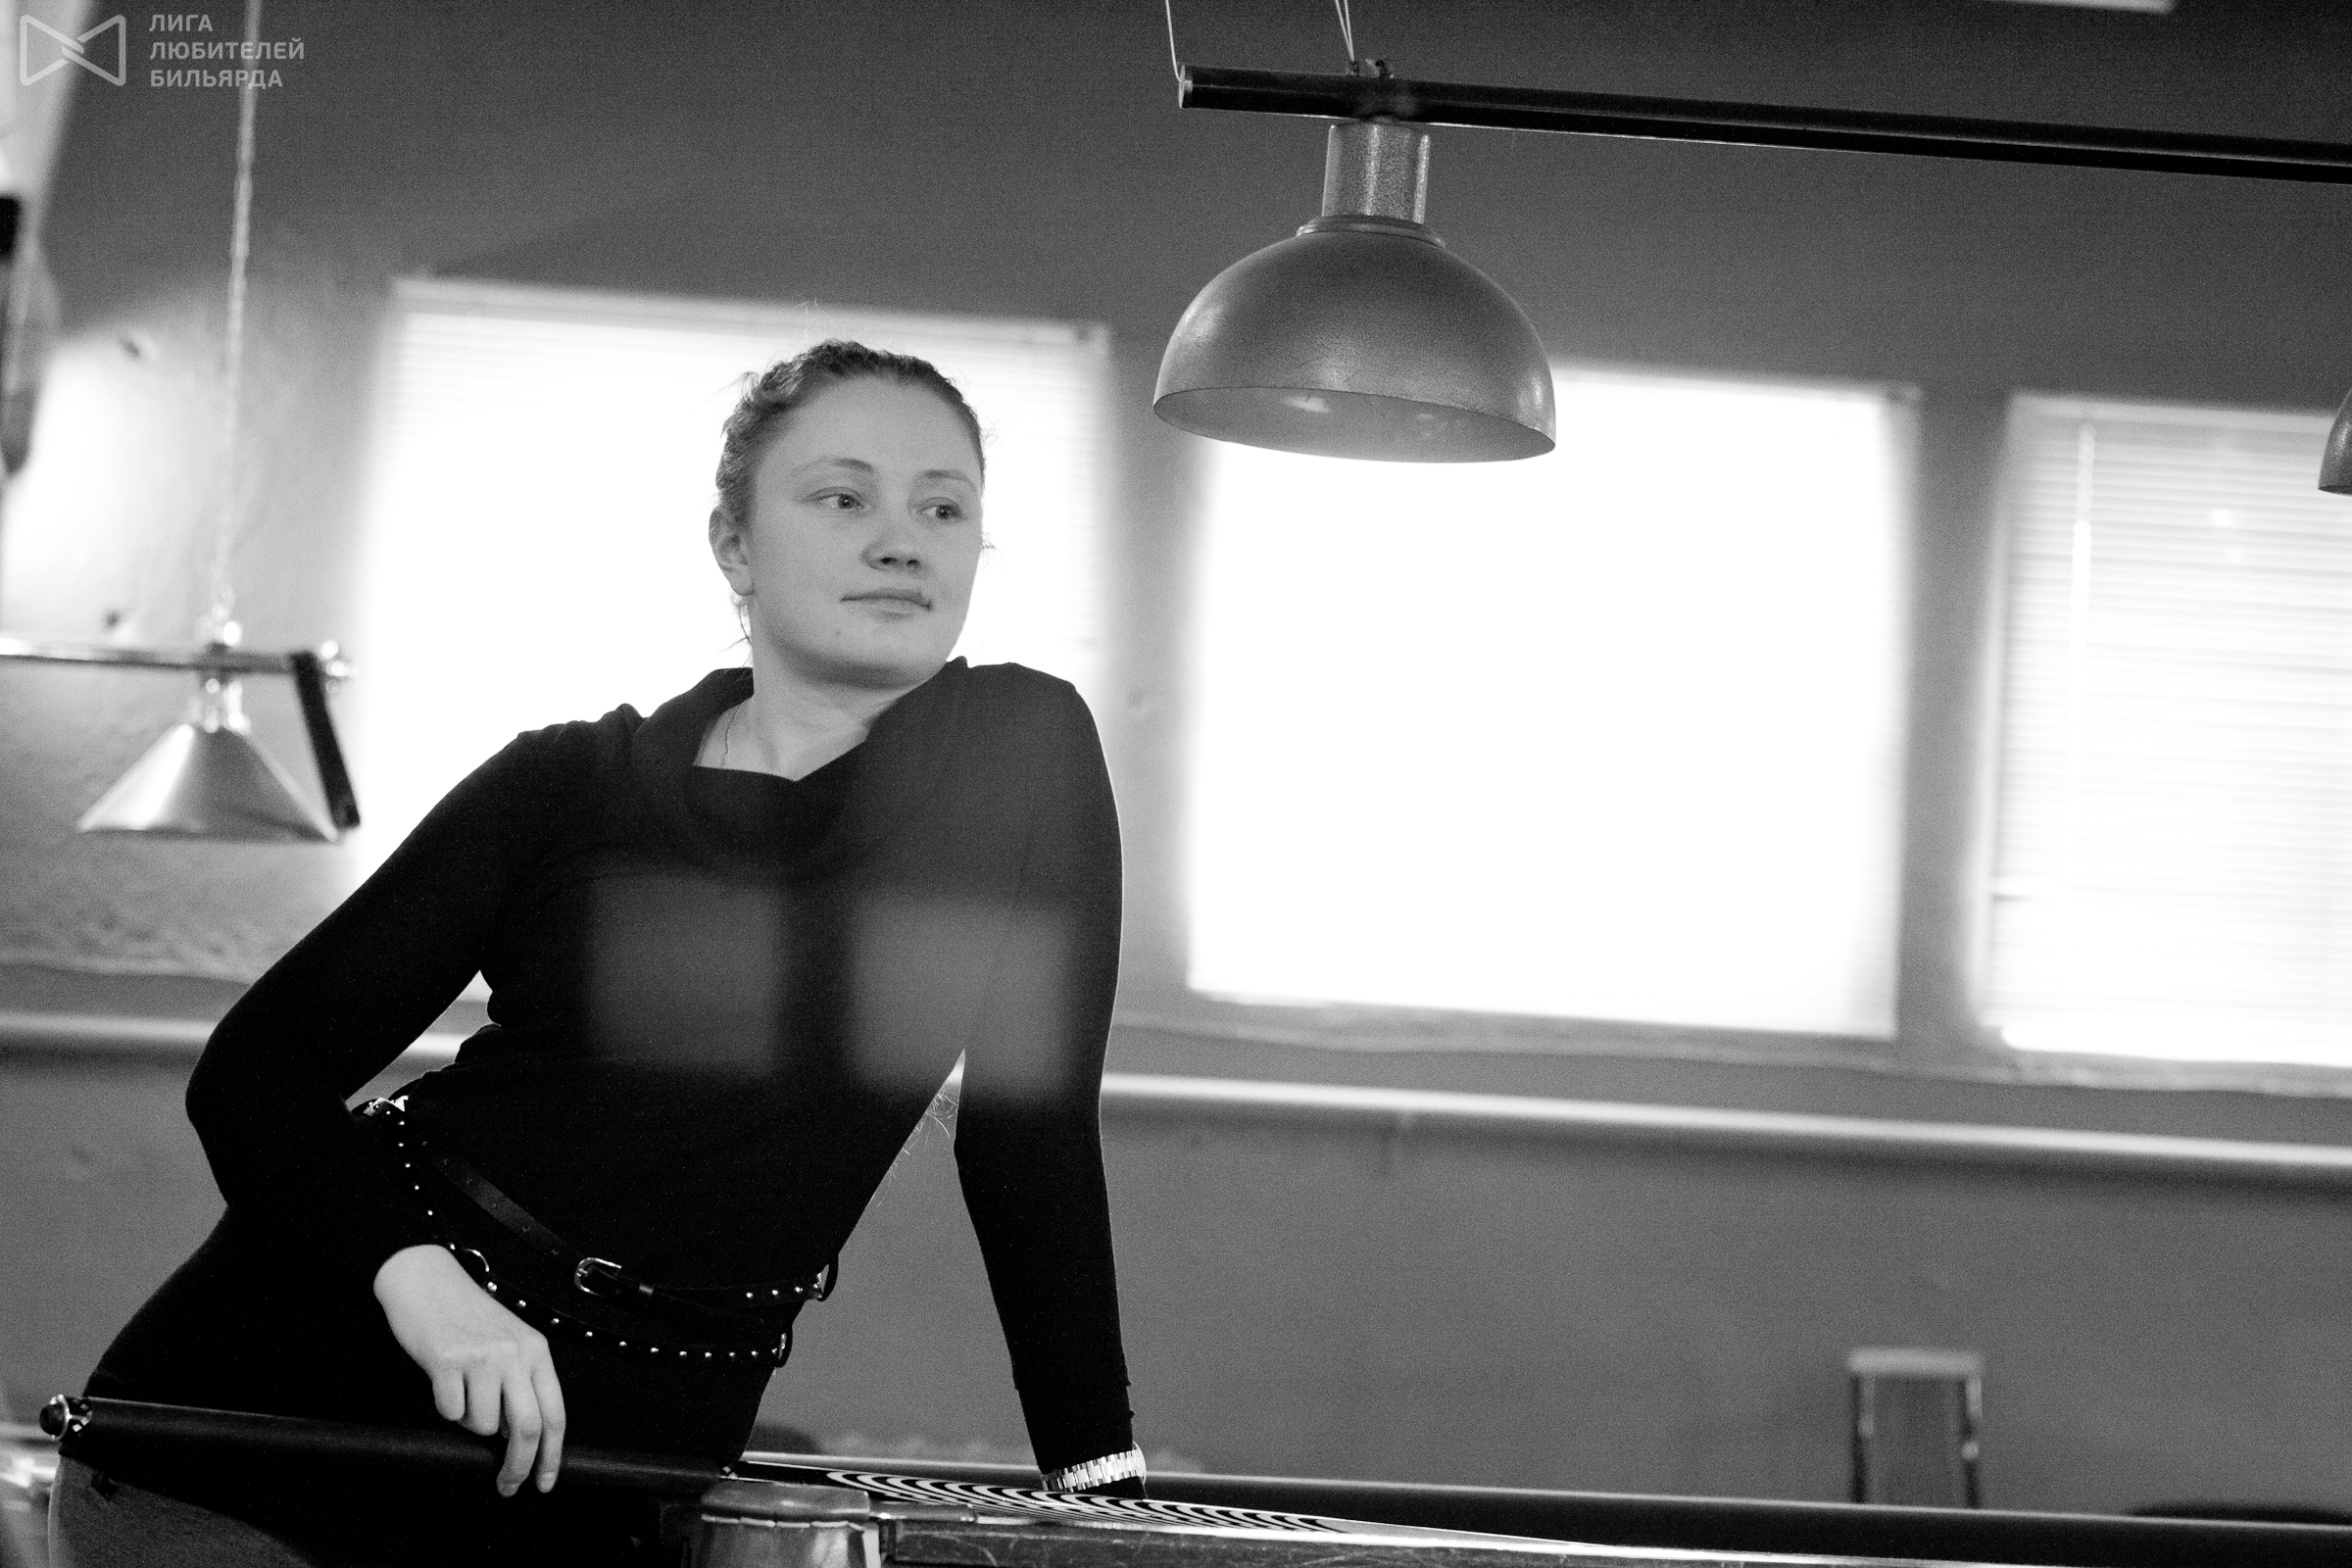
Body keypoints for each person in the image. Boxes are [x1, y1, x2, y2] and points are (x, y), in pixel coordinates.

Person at [51, 340, 1144, 1565]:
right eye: (844, 498)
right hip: (260, 1443)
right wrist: (421, 1281)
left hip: (610, 1483)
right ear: (734, 546)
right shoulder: (567, 784)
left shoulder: (1024, 749)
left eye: (944, 508)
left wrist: (1102, 1488)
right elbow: (257, 1070)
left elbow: (1030, 1134)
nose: (903, 542)